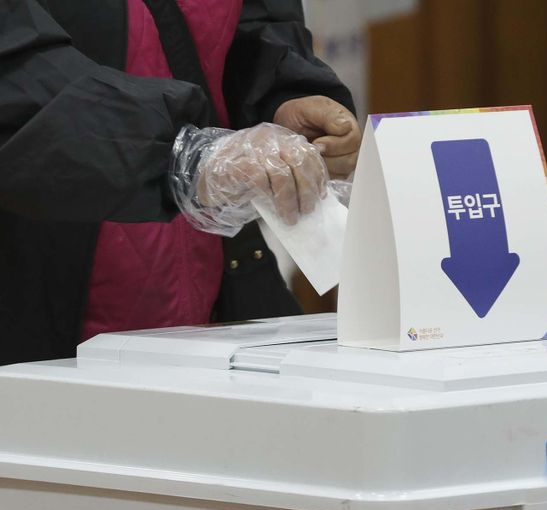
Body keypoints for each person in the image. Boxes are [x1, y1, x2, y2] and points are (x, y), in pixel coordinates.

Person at [0, 0, 362, 364]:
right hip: (40, 297)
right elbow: (15, 71)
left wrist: (281, 98)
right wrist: (182, 155)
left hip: (210, 293)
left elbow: (253, 22)